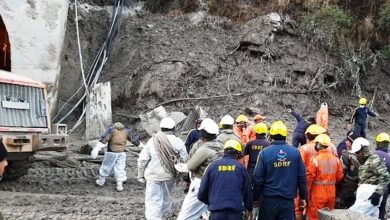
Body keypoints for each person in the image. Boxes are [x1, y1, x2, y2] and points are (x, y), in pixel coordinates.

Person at [253, 121, 307, 220]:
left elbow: (258, 179)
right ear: (286, 135)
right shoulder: (295, 153)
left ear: (271, 135)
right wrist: (303, 197)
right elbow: (302, 177)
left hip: (268, 202)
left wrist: (255, 198)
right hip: (288, 202)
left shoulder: (264, 153)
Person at [137, 117, 188, 220]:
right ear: (174, 128)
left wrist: (140, 174)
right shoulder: (178, 142)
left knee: (153, 200)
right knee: (165, 198)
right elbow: (184, 160)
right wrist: (180, 176)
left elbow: (142, 160)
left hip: (153, 176)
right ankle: (162, 216)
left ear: (161, 128)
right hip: (169, 175)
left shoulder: (153, 140)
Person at [177, 118, 223, 220]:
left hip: (200, 182)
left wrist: (180, 167)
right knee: (208, 212)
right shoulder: (220, 146)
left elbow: (190, 166)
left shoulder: (204, 149)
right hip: (216, 183)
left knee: (186, 213)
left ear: (202, 132)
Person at [198, 139, 253, 220]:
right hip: (235, 213)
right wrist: (249, 208)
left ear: (224, 152)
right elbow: (247, 192)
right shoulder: (240, 168)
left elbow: (201, 194)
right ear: (238, 154)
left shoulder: (212, 167)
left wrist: (213, 202)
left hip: (216, 212)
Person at [92, 122, 140, 192]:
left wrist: (97, 148)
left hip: (111, 152)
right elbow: (134, 140)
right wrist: (142, 146)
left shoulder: (111, 130)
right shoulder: (126, 131)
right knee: (120, 168)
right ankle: (119, 185)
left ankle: (101, 181)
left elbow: (104, 139)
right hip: (121, 153)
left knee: (106, 166)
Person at [349, 137, 390, 218]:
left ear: (363, 151)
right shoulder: (366, 161)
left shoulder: (374, 160)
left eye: (357, 153)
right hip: (366, 195)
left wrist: (377, 193)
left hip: (370, 195)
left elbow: (385, 176)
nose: (356, 155)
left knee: (353, 215)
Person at [306, 134, 344, 220]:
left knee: (315, 216)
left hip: (317, 193)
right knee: (328, 216)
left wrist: (307, 191)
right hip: (331, 192)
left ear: (318, 145)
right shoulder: (336, 159)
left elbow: (309, 178)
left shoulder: (315, 160)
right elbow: (340, 175)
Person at [335, 132, 360, 209]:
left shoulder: (346, 155)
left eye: (348, 141)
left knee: (339, 207)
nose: (346, 142)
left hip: (344, 187)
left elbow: (341, 173)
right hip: (356, 188)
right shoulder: (362, 154)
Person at [375, 132, 390, 220]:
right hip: (384, 190)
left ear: (377, 143)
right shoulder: (389, 158)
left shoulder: (372, 155)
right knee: (381, 213)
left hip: (371, 190)